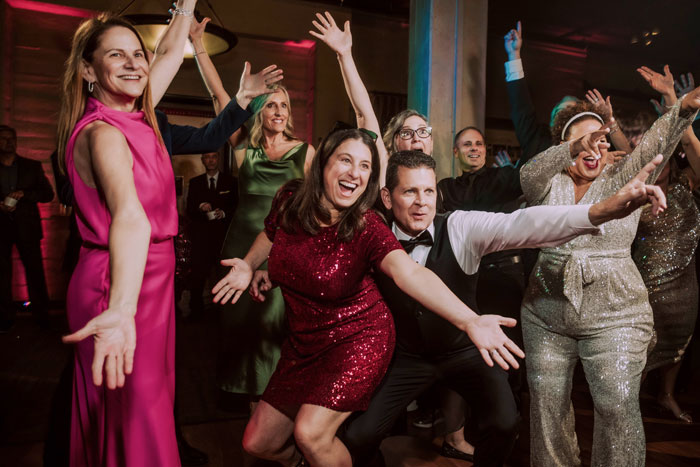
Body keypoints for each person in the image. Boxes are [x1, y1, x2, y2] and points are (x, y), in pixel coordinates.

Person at [215, 124, 525, 466]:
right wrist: (250, 265)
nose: (355, 173)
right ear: (322, 163)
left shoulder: (367, 225)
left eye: (365, 166)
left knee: (310, 434)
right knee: (257, 442)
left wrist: (469, 320)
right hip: (303, 344)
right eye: (346, 160)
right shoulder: (290, 199)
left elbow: (410, 273)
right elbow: (273, 233)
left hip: (356, 340)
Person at [342, 149, 670, 467]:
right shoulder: (375, 238)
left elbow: (523, 223)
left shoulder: (459, 227)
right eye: (409, 191)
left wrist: (599, 211)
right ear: (387, 198)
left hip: (464, 349)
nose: (421, 202)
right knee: (358, 435)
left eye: (428, 191)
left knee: (504, 422)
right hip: (408, 356)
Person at [519, 84, 700, 466]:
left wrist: (683, 108)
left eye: (601, 140)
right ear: (564, 145)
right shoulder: (547, 184)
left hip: (617, 313)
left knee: (617, 402)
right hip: (546, 313)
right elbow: (529, 172)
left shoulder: (621, 176)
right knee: (547, 407)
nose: (595, 147)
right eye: (584, 140)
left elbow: (654, 146)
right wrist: (574, 146)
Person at [56, 4, 196, 464]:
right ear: (88, 70)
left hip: (151, 284)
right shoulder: (103, 133)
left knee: (145, 412)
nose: (135, 64)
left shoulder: (139, 115)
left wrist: (186, 7)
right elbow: (131, 217)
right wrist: (120, 308)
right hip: (117, 283)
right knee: (134, 423)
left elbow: (171, 52)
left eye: (138, 53)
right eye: (117, 55)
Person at [189, 16, 316, 404]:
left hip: (282, 247)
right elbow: (219, 98)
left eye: (284, 105)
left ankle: (276, 401)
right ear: (259, 110)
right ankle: (245, 403)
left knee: (273, 325)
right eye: (271, 104)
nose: (278, 110)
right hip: (240, 244)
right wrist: (198, 45)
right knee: (240, 323)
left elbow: (314, 207)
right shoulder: (246, 149)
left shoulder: (305, 152)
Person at [633, 65, 700, 424]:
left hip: (685, 285)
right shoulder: (638, 196)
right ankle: (627, 402)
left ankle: (667, 395)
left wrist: (676, 101)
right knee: (643, 343)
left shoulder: (688, 187)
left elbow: (690, 146)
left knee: (678, 341)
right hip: (646, 283)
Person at [0, 125, 54, 331]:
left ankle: (42, 317)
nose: (9, 142)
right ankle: (5, 319)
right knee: (2, 275)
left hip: (27, 227)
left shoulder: (32, 166)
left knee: (35, 272)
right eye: (4, 138)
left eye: (12, 138)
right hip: (1, 227)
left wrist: (25, 194)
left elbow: (48, 194)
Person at [185, 150, 237, 317]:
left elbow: (237, 207)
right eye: (207, 157)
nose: (211, 160)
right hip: (201, 238)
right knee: (198, 277)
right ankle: (196, 312)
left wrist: (225, 213)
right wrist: (200, 207)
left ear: (218, 159)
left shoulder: (231, 182)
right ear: (203, 160)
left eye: (214, 156)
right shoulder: (195, 182)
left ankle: (224, 314)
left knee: (223, 276)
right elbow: (189, 210)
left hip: (223, 239)